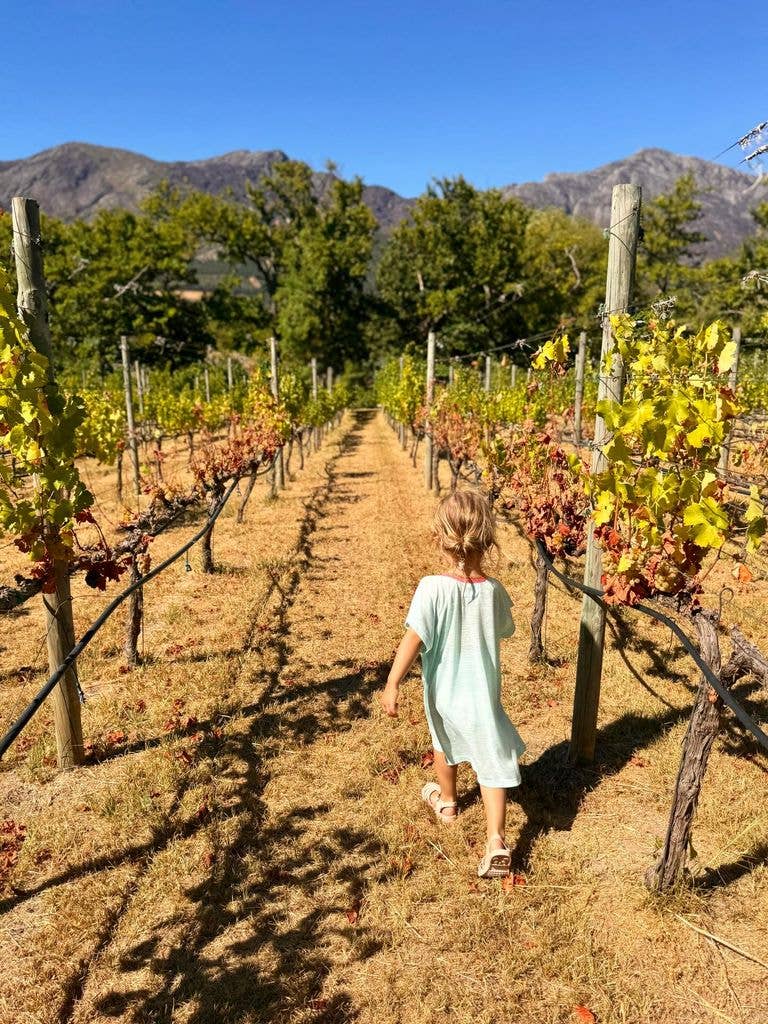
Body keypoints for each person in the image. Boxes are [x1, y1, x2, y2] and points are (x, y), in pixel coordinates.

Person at [380, 488, 525, 879]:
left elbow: (414, 638)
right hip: (483, 695)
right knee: (492, 761)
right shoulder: (494, 591)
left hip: (444, 693)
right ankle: (496, 840)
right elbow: (504, 629)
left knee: (443, 742)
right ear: (487, 539)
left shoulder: (431, 588)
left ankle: (447, 802)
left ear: (440, 538)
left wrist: (393, 682)